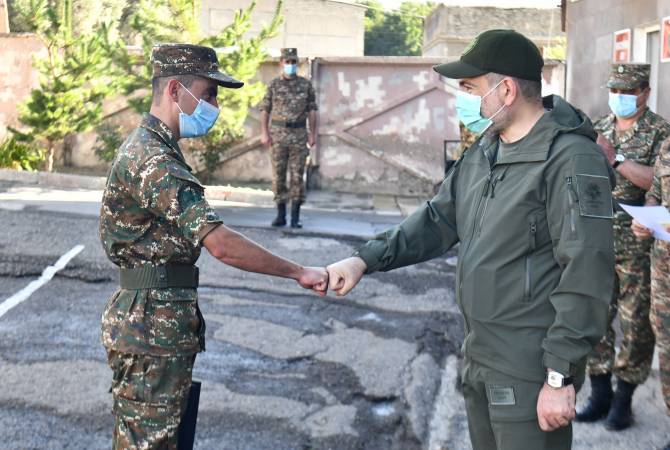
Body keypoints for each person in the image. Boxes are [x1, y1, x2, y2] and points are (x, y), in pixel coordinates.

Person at [326, 29, 615, 450]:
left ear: (508, 89)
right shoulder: (487, 149)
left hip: (529, 366)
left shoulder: (569, 158)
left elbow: (587, 270)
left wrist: (559, 375)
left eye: (469, 88)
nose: (462, 99)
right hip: (480, 353)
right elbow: (438, 219)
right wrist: (363, 260)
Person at [98, 43, 328, 449]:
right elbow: (221, 244)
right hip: (151, 327)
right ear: (174, 91)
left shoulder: (158, 149)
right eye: (208, 94)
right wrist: (298, 271)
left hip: (156, 321)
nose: (215, 105)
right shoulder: (152, 159)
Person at [577, 63, 670, 430]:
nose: (620, 98)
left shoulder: (660, 132)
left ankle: (624, 398)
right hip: (596, 240)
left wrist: (614, 158)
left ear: (645, 93)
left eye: (628, 92)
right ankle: (599, 394)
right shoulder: (598, 128)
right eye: (614, 90)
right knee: (594, 317)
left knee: (636, 324)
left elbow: (656, 184)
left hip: (639, 245)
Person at [632, 137, 670, 450]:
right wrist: (646, 220)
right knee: (667, 350)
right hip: (664, 272)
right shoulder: (669, 146)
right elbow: (655, 193)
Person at [259, 47, 318, 229]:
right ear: (281, 63)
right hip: (278, 136)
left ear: (297, 63)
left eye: (293, 62)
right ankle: (281, 215)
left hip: (299, 136)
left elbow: (312, 110)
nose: (290, 65)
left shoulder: (305, 85)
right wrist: (264, 132)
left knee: (297, 176)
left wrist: (313, 133)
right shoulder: (274, 85)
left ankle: (295, 217)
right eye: (287, 62)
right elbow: (265, 109)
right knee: (278, 176)